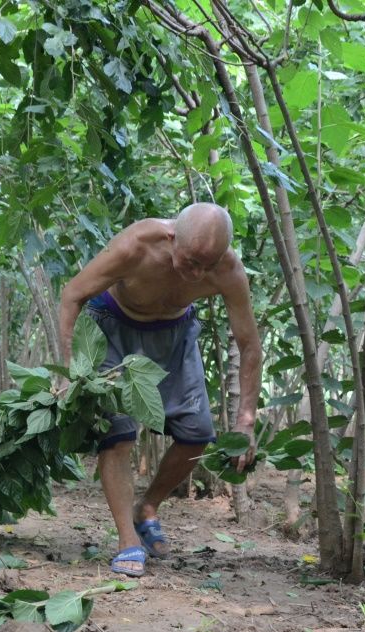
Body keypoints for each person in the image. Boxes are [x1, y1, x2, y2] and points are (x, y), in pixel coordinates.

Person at [58, 202, 262, 577]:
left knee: (197, 434)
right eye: (190, 261)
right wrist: (74, 368)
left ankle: (147, 509)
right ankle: (126, 539)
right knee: (118, 434)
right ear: (172, 238)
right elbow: (72, 294)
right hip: (111, 327)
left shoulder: (228, 270)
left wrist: (246, 420)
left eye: (208, 265)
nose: (198, 274)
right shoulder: (136, 245)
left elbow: (249, 344)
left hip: (174, 335)